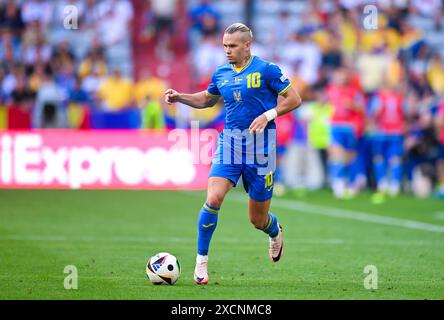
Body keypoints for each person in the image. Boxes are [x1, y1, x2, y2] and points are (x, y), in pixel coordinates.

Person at [165, 23, 301, 285]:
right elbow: (207, 99)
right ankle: (201, 263)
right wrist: (180, 97)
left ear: (247, 45)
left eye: (233, 46)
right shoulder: (221, 73)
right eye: (225, 46)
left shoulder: (266, 70)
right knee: (214, 197)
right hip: (230, 143)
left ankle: (274, 232)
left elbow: (294, 99)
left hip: (261, 149)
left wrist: (267, 115)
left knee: (257, 219)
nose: (227, 51)